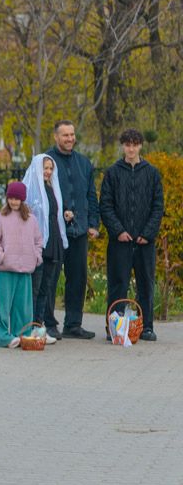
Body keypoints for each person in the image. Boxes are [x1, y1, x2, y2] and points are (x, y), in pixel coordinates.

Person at [100, 129, 164, 342]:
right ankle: (114, 328)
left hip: (144, 242)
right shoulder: (112, 173)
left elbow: (158, 206)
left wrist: (148, 233)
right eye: (127, 144)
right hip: (120, 241)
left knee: (146, 284)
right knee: (118, 284)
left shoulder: (152, 173)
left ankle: (146, 327)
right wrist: (118, 231)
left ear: (141, 146)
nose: (131, 148)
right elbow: (106, 206)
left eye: (135, 144)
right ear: (123, 146)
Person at [44, 120, 100, 339]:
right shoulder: (46, 161)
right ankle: (48, 323)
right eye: (65, 135)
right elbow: (39, 193)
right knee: (51, 278)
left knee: (77, 278)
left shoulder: (84, 163)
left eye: (72, 135)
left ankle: (73, 324)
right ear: (56, 137)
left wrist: (93, 223)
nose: (69, 139)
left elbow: (91, 197)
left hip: (79, 232)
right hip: (55, 233)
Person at [0, 183, 43, 348]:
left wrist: (36, 258)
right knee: (3, 307)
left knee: (23, 307)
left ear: (22, 199)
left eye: (17, 198)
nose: (13, 201)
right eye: (11, 198)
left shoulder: (31, 220)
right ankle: (3, 337)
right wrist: (1, 257)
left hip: (25, 270)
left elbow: (38, 242)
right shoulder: (0, 218)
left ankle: (23, 334)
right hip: (5, 270)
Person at [23, 154, 67, 342]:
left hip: (53, 242)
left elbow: (53, 214)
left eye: (50, 169)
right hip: (38, 245)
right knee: (35, 287)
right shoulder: (29, 189)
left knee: (46, 288)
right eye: (45, 168)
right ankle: (29, 326)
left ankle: (39, 326)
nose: (48, 172)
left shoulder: (52, 188)